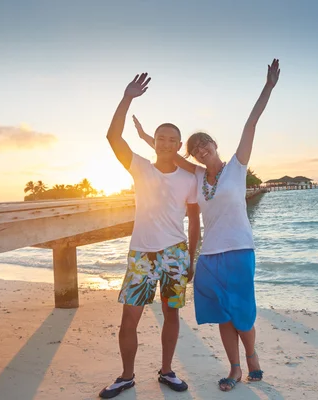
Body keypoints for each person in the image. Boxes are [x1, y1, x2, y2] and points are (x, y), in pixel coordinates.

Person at [134, 59, 280, 391]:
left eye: (205, 145)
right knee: (222, 315)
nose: (201, 151)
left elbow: (251, 123)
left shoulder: (237, 167)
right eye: (196, 149)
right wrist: (146, 137)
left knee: (242, 311)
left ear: (214, 144)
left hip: (239, 250)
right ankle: (234, 368)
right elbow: (168, 156)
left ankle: (252, 355)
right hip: (210, 257)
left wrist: (267, 88)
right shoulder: (198, 175)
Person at [100, 72, 201, 398]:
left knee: (172, 314)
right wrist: (126, 96)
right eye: (161, 137)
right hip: (142, 253)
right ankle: (127, 376)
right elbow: (113, 136)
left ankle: (167, 371)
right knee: (129, 317)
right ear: (154, 141)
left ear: (179, 145)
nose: (166, 143)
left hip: (175, 253)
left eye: (173, 139)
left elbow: (195, 221)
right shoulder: (140, 166)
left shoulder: (190, 179)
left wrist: (192, 260)